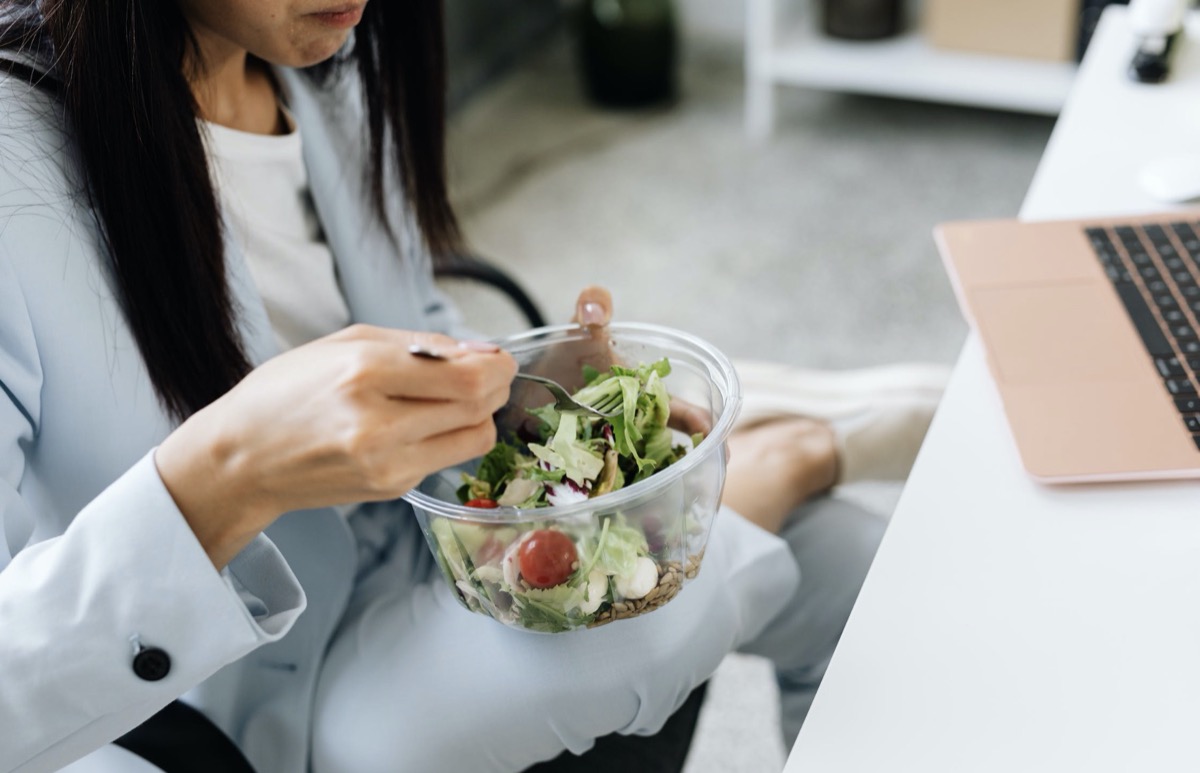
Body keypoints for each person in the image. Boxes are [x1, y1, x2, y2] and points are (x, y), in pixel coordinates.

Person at [0, 1, 940, 771]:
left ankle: (783, 456)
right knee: (639, 629)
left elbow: (409, 317)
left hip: (436, 543)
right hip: (254, 695)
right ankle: (794, 450)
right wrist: (226, 475)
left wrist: (515, 391)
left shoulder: (322, 56)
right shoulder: (16, 175)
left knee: (874, 576)